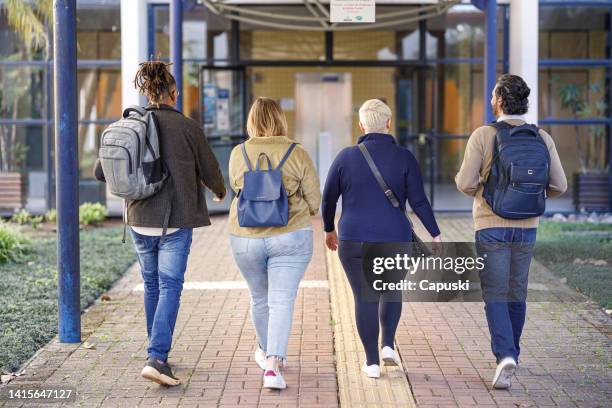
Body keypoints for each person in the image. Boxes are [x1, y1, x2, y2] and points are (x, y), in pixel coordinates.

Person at [94, 61, 226, 386]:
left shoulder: (131, 123)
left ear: (147, 92)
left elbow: (101, 171)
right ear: (173, 93)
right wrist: (220, 192)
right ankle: (157, 357)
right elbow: (210, 170)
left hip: (139, 220)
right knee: (169, 287)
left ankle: (156, 352)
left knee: (152, 285)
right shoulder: (188, 128)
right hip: (175, 222)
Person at [456, 74, 567, 389]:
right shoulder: (542, 137)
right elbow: (559, 185)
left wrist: (485, 192)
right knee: (517, 293)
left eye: (493, 96)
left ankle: (505, 355)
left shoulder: (483, 135)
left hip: (491, 226)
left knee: (495, 294)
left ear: (499, 101)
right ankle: (512, 354)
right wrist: (530, 196)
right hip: (527, 229)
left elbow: (465, 182)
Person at [322, 99, 441, 378]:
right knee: (391, 290)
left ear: (361, 125)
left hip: (353, 241)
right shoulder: (405, 157)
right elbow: (420, 202)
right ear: (389, 124)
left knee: (365, 298)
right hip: (395, 239)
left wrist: (329, 228)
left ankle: (372, 362)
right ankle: (388, 345)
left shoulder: (345, 157)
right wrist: (434, 232)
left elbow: (328, 199)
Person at [228, 97, 321, 390]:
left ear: (251, 121)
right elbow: (315, 200)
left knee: (259, 298)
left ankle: (268, 353)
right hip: (290, 233)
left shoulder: (238, 152)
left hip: (245, 236)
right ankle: (272, 366)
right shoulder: (297, 152)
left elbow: (236, 186)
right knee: (281, 300)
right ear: (280, 119)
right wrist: (305, 208)